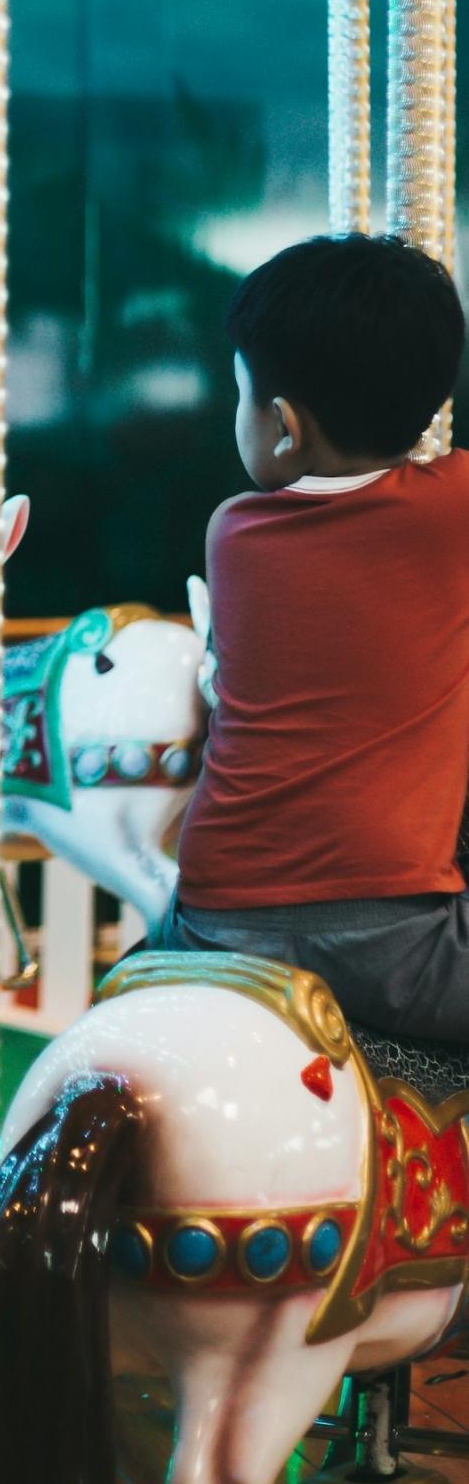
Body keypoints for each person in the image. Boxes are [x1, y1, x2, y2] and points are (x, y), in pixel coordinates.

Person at [157, 232, 469, 1043]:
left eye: (239, 397)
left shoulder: (233, 532)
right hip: (396, 941)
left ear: (283, 428)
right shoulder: (455, 509)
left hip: (213, 920)